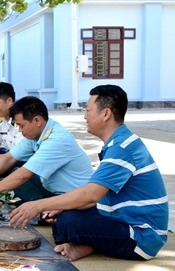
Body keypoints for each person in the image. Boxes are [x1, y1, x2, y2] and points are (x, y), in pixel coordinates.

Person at [9, 85, 169, 261]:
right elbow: (98, 195)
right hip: (121, 217)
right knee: (65, 216)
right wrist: (60, 207)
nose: (85, 116)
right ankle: (86, 245)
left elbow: (91, 195)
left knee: (70, 224)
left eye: (88, 110)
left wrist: (38, 205)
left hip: (142, 236)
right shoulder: (119, 143)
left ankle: (86, 245)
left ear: (106, 114)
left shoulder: (122, 148)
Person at [0, 96, 93, 203]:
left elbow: (24, 175)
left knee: (19, 178)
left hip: (76, 196)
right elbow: (9, 158)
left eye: (21, 125)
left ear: (37, 121)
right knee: (15, 175)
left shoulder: (56, 139)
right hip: (52, 187)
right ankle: (42, 207)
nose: (20, 130)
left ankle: (44, 209)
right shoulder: (37, 133)